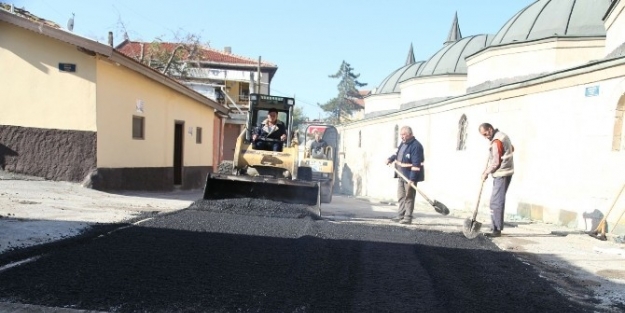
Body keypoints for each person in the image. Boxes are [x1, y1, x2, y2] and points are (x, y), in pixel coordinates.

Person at [479, 123, 514, 237]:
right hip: (506, 172)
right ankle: (495, 227)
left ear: (490, 129)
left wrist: (486, 173)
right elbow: (512, 148)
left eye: (486, 133)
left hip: (502, 173)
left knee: (496, 202)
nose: (485, 136)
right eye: (483, 135)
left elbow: (496, 163)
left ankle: (496, 229)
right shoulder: (502, 136)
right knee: (497, 200)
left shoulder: (496, 141)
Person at [385, 126, 425, 224]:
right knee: (401, 196)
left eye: (404, 134)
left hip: (410, 176)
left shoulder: (416, 146)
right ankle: (401, 215)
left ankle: (408, 217)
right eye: (401, 135)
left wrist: (412, 179)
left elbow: (416, 164)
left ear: (410, 134)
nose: (402, 137)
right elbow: (397, 154)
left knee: (409, 197)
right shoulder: (403, 144)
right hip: (400, 175)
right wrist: (390, 159)